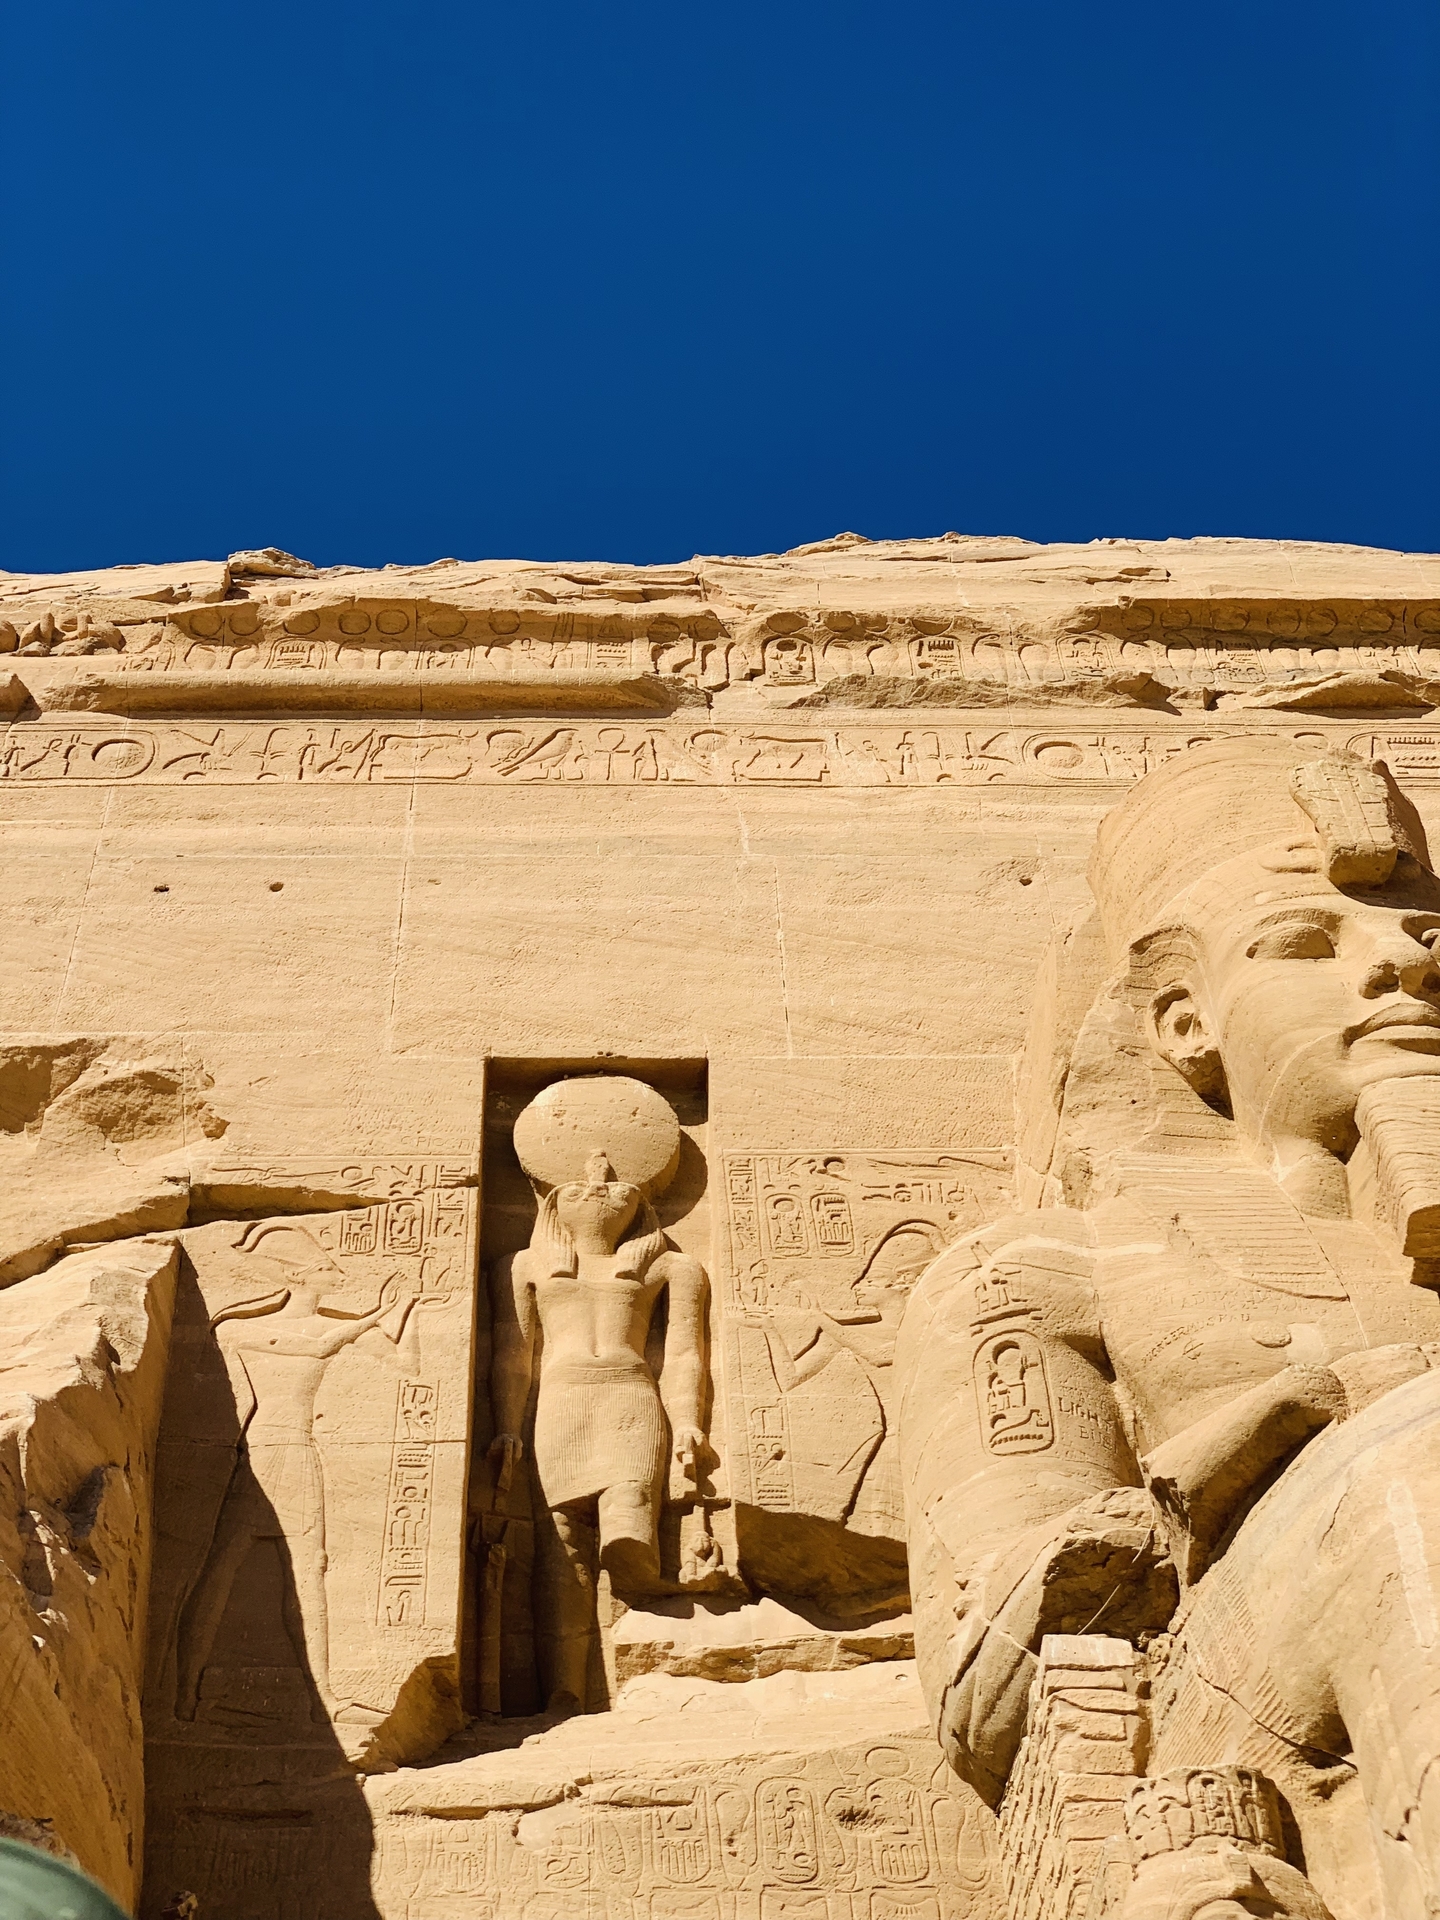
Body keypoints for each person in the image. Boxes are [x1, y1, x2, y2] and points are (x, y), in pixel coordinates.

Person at [899, 738, 1440, 1920]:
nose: (1402, 963)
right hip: (1224, 1710)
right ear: (1185, 1023)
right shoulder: (1044, 1274)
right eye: (1305, 943)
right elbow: (983, 1684)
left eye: (1425, 935)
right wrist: (1287, 1423)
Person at [490, 1148, 708, 1712]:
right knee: (560, 1546)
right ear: (552, 1206)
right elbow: (513, 1354)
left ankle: (651, 1677)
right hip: (561, 1403)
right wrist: (507, 1426)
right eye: (578, 1185)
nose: (598, 1179)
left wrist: (687, 1419)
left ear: (640, 1206)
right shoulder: (524, 1266)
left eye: (615, 1185)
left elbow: (683, 1353)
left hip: (629, 1398)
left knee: (629, 1533)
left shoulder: (671, 1267)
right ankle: (565, 1692)